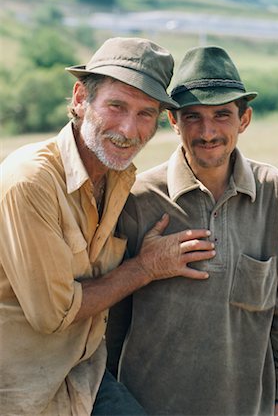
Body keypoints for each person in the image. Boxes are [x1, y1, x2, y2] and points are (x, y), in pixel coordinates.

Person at [0, 37, 220, 416]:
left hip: (84, 375)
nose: (128, 129)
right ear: (80, 99)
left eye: (145, 114)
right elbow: (55, 314)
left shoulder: (119, 179)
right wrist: (146, 268)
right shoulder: (30, 181)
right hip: (21, 391)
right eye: (116, 106)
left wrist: (263, 245)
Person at [107, 46, 278, 416]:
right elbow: (111, 328)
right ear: (173, 121)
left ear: (244, 119)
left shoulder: (270, 189)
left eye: (222, 115)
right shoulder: (137, 199)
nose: (207, 131)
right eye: (192, 116)